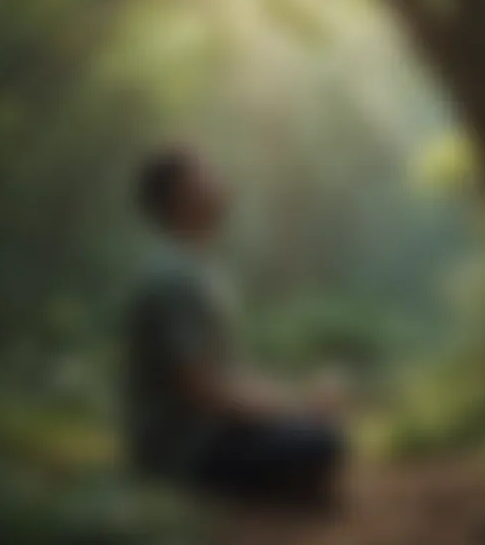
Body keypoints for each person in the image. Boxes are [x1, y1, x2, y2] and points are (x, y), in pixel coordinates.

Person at [124, 149, 345, 508]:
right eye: (206, 174)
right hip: (182, 451)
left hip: (209, 436)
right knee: (318, 442)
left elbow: (230, 376)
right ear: (180, 194)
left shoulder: (198, 269)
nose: (220, 183)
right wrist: (300, 406)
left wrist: (300, 401)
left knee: (317, 434)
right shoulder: (172, 276)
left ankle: (286, 484)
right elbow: (200, 392)